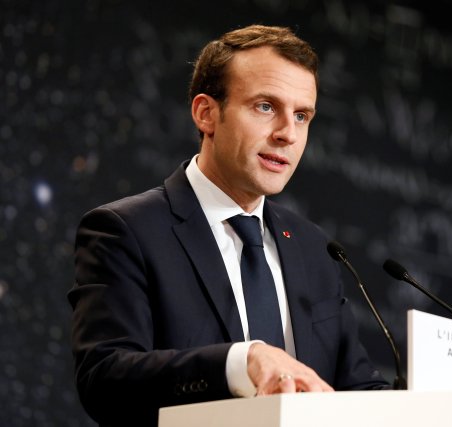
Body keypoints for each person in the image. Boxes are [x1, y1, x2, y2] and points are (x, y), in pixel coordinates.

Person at [68, 24, 388, 426]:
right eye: (265, 107)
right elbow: (105, 380)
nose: (287, 134)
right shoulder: (126, 230)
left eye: (302, 115)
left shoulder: (314, 248)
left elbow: (357, 389)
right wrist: (241, 361)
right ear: (207, 113)